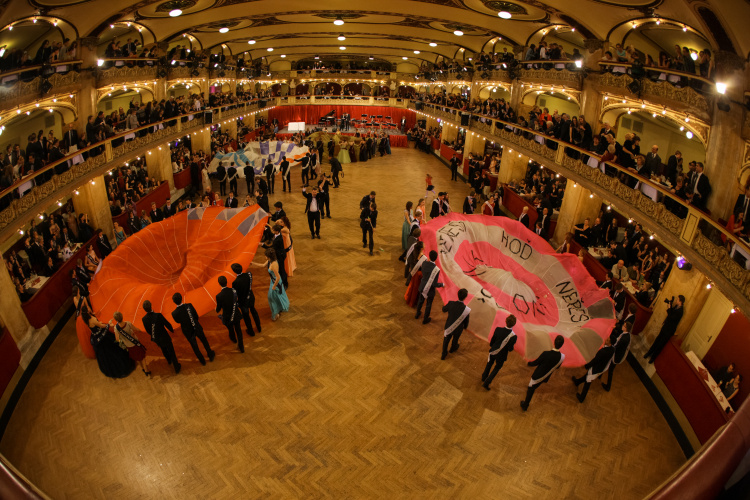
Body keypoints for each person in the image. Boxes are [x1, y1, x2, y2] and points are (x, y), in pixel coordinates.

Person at [86, 309, 136, 378]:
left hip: (98, 337)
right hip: (103, 338)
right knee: (114, 351)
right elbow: (102, 326)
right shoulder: (92, 319)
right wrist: (108, 325)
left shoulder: (88, 320)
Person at [520, 335, 565, 411]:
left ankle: (525, 405)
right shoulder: (562, 357)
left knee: (531, 388)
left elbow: (536, 363)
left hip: (538, 375)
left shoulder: (546, 353)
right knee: (535, 386)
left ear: (554, 342)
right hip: (545, 377)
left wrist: (528, 363)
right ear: (562, 345)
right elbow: (557, 367)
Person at [171, 292, 215, 365]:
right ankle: (210, 354)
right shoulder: (189, 305)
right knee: (204, 340)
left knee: (194, 346)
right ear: (181, 299)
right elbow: (196, 316)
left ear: (174, 302)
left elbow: (178, 321)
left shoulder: (174, 313)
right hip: (196, 326)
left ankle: (202, 361)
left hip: (187, 331)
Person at [142, 300, 181, 373]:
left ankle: (169, 360)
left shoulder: (144, 319)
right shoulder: (158, 315)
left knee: (163, 349)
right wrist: (172, 330)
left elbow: (148, 331)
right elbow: (166, 323)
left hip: (157, 338)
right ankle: (176, 367)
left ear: (144, 309)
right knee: (171, 351)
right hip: (164, 336)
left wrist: (153, 334)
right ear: (151, 306)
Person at [572, 337, 615, 403]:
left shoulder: (602, 352)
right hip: (601, 368)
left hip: (596, 368)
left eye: (607, 340)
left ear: (610, 343)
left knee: (588, 381)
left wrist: (586, 366)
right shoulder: (612, 349)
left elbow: (595, 361)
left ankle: (582, 398)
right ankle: (577, 382)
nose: (606, 340)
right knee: (587, 376)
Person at [644, 295, 685, 363]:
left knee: (660, 345)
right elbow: (671, 313)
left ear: (680, 301)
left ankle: (653, 358)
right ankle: (649, 353)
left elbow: (671, 317)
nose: (676, 300)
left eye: (677, 299)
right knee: (657, 340)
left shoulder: (680, 311)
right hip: (665, 327)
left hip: (669, 330)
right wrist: (670, 306)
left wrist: (669, 308)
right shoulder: (676, 307)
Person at [481, 315, 517, 390]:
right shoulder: (513, 336)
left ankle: (484, 377)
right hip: (501, 355)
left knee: (489, 363)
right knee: (497, 368)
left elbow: (492, 341)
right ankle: (487, 382)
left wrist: (492, 347)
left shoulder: (498, 329)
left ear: (506, 321)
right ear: (514, 324)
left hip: (493, 351)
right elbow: (510, 349)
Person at [253, 248, 290, 321]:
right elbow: (262, 265)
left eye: (265, 255)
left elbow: (278, 277)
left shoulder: (274, 265)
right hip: (273, 281)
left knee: (271, 297)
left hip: (276, 283)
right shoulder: (270, 261)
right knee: (274, 297)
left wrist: (274, 286)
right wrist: (253, 263)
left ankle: (276, 313)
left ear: (269, 256)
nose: (265, 257)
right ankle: (278, 309)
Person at [112, 311, 149, 377]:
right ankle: (146, 370)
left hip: (128, 345)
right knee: (142, 357)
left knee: (137, 357)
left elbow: (117, 339)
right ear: (122, 316)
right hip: (135, 342)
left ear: (116, 319)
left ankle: (143, 368)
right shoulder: (128, 323)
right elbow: (135, 329)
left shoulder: (116, 328)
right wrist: (140, 330)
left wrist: (123, 340)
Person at [231, 263, 262, 336]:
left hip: (243, 302)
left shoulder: (235, 282)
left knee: (246, 317)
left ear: (234, 271)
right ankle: (259, 327)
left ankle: (251, 331)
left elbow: (235, 294)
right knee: (254, 312)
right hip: (250, 298)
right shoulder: (248, 275)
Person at [216, 275, 244, 353]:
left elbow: (218, 309)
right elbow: (236, 299)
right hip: (236, 313)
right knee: (238, 330)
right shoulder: (233, 290)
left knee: (230, 328)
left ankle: (233, 339)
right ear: (226, 282)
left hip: (227, 316)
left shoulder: (219, 296)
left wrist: (216, 308)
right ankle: (241, 347)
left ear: (219, 283)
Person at [440, 288, 471, 360]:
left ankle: (443, 354)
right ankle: (452, 348)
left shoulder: (451, 303)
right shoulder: (466, 309)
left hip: (449, 325)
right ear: (465, 297)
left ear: (458, 295)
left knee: (446, 340)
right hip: (458, 328)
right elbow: (466, 321)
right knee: (455, 339)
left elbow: (444, 309)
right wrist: (465, 327)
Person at [602, 321, 632, 392]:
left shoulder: (624, 339)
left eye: (624, 325)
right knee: (607, 365)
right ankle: (600, 376)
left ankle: (608, 386)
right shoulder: (626, 335)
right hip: (617, 355)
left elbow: (616, 346)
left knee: (610, 370)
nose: (622, 326)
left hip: (616, 356)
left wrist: (608, 345)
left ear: (626, 328)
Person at [415, 250, 443, 325]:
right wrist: (442, 284)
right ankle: (425, 319)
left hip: (422, 286)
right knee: (428, 304)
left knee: (420, 301)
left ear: (429, 257)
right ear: (436, 258)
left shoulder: (424, 263)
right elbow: (434, 284)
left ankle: (417, 314)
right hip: (430, 290)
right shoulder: (437, 269)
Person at [73, 285, 96, 359]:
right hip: (84, 317)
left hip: (79, 318)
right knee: (91, 332)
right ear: (78, 291)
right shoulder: (83, 298)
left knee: (85, 336)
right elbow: (88, 308)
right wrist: (92, 313)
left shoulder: (74, 299)